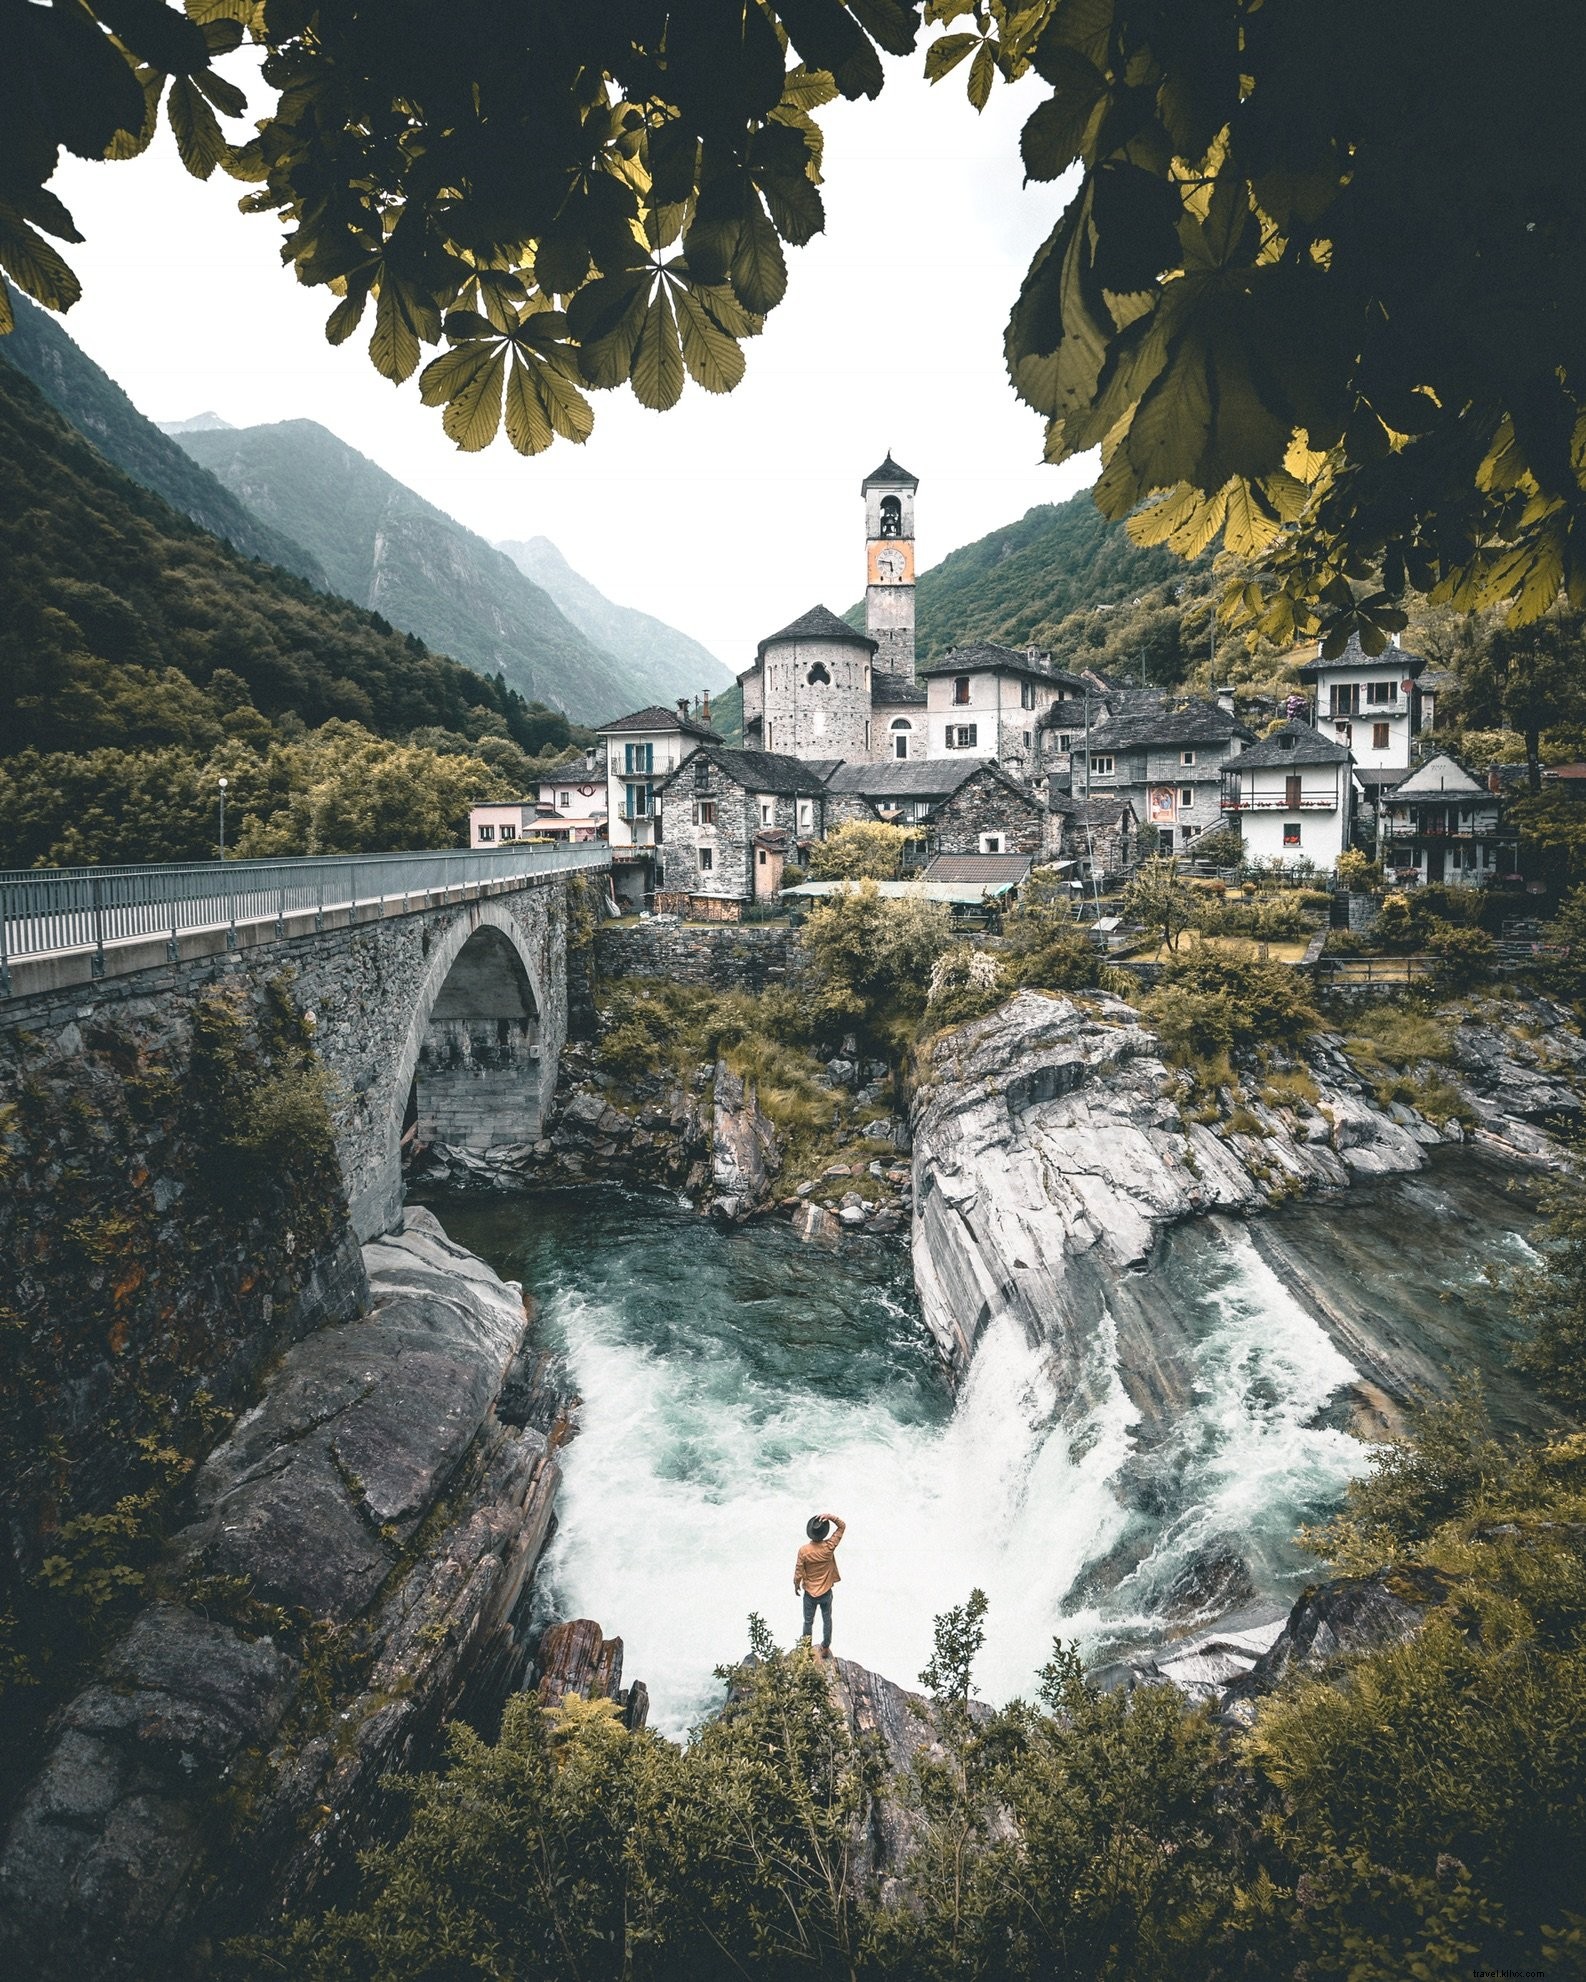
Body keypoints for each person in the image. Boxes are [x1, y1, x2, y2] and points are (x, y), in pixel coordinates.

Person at [794, 1510, 845, 1658]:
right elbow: (842, 1527)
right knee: (827, 1618)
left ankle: (805, 1649)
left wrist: (796, 1585)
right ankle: (825, 1646)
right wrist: (830, 1517)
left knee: (808, 1622)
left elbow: (798, 1571)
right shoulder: (829, 1546)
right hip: (826, 1592)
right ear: (824, 1533)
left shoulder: (804, 1551)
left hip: (810, 1593)